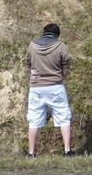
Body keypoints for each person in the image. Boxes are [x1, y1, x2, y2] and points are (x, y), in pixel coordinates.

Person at [24, 23, 75, 157]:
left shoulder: (32, 45)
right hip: (56, 87)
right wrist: (59, 77)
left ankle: (31, 153)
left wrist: (35, 77)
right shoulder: (61, 46)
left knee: (34, 120)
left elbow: (27, 63)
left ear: (44, 32)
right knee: (64, 118)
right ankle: (67, 151)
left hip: (36, 88)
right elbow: (66, 65)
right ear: (57, 35)